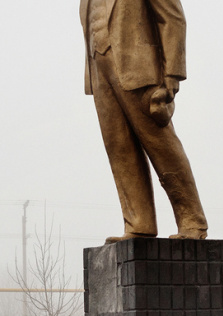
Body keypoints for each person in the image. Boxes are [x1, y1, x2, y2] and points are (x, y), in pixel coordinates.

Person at [80, 0, 209, 243]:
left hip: (140, 68)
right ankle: (139, 223)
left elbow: (172, 17)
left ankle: (192, 221)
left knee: (162, 145)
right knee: (119, 149)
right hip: (100, 70)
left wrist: (172, 74)